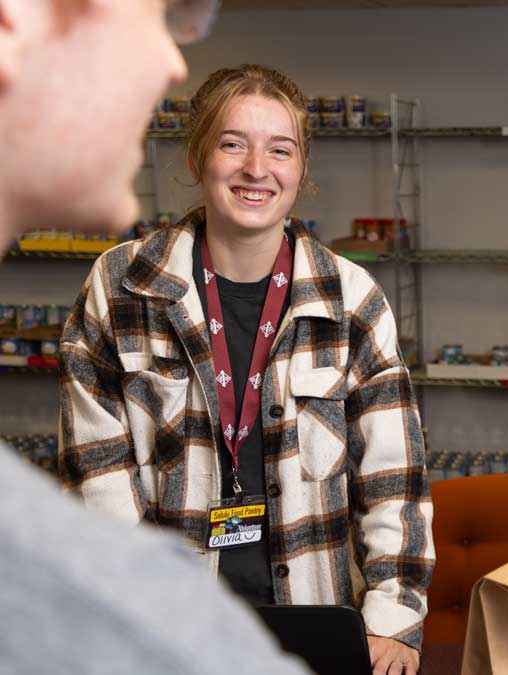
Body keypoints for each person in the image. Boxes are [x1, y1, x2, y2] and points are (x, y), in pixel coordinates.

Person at [58, 63, 434, 675]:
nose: (256, 169)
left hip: (313, 616)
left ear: (301, 169)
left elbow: (396, 476)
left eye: (279, 150)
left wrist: (395, 619)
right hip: (165, 623)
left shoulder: (351, 299)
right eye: (233, 144)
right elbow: (94, 470)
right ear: (198, 155)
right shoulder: (122, 286)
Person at [0, 1, 308, 672]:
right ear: (13, 22)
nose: (173, 62)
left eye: (279, 148)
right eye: (159, 15)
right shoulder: (118, 285)